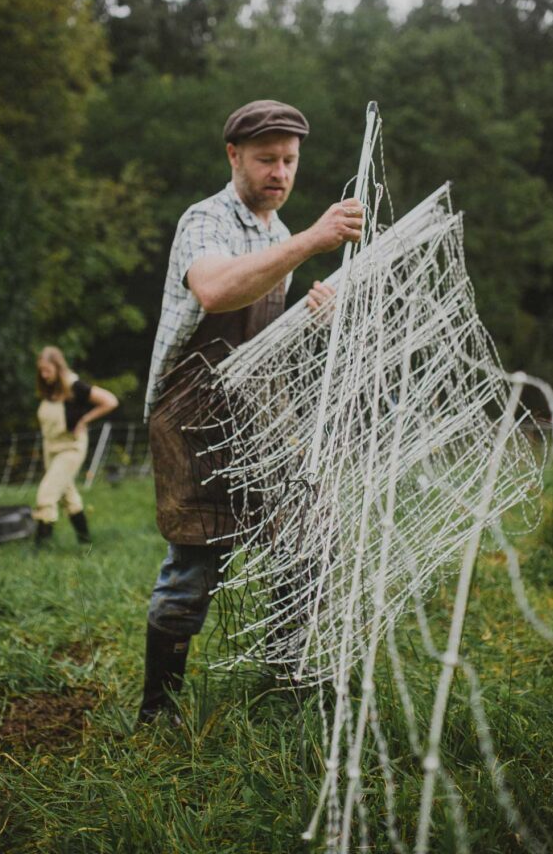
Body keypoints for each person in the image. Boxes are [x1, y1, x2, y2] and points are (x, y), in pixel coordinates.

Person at [138, 99, 364, 723]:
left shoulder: (278, 235)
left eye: (289, 161)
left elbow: (260, 339)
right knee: (196, 560)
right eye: (267, 159)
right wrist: (316, 240)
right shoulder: (205, 220)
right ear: (234, 155)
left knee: (307, 535)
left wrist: (307, 314)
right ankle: (160, 710)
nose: (280, 173)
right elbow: (215, 290)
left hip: (260, 410)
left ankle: (282, 678)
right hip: (193, 410)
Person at [33, 346, 119, 545]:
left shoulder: (75, 386)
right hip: (50, 447)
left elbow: (110, 401)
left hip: (70, 448)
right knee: (67, 494)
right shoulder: (49, 388)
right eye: (41, 371)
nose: (44, 375)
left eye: (48, 370)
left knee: (47, 493)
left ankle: (41, 547)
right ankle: (85, 541)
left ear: (58, 367)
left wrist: (85, 420)